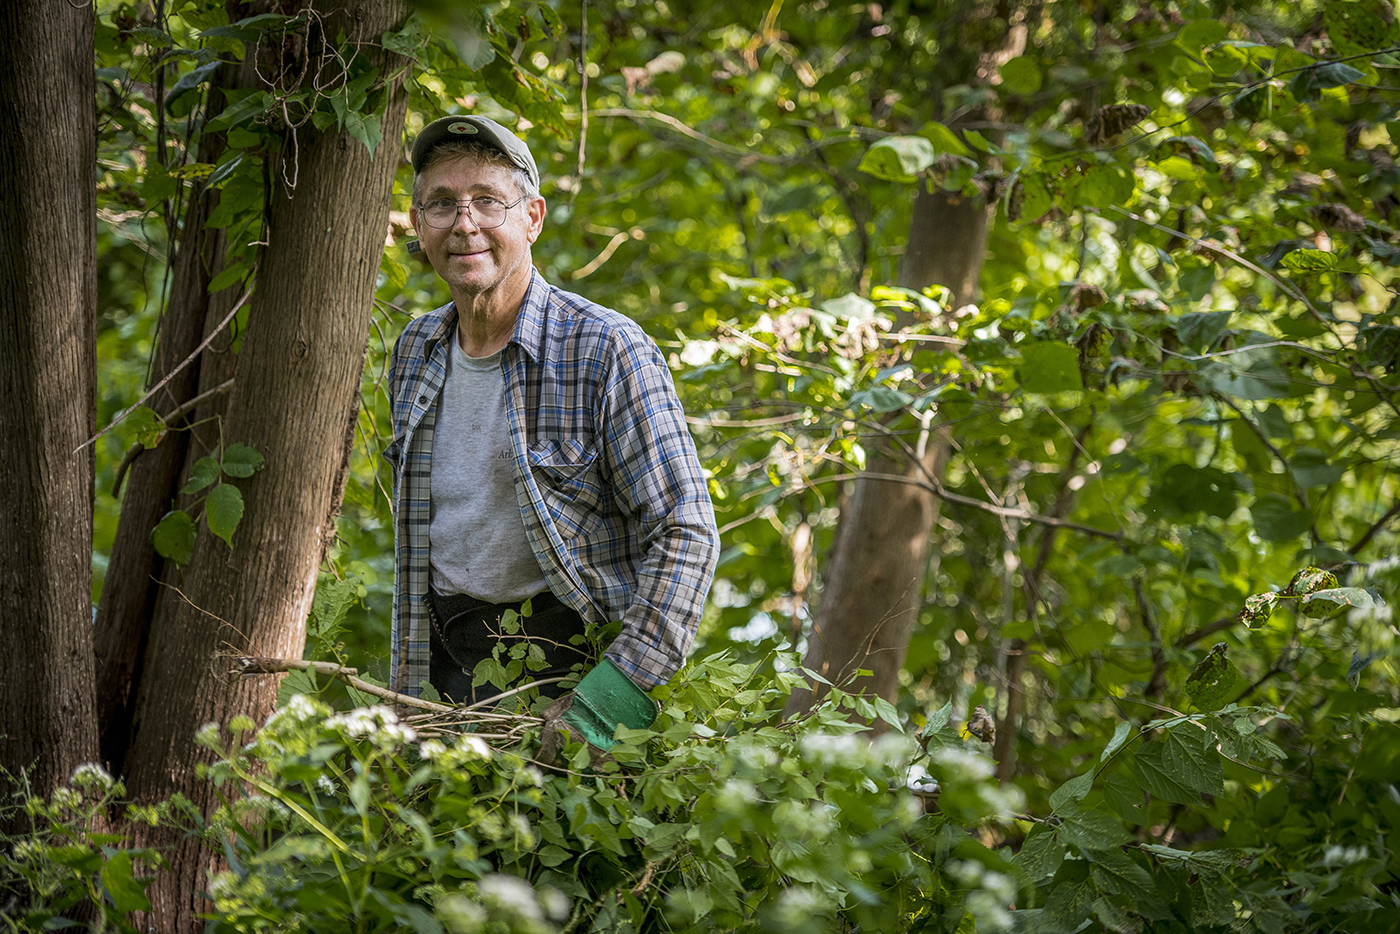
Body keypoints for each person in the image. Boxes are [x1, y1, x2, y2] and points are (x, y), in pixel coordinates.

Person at [383, 114, 718, 752]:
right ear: (419, 222)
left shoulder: (604, 347)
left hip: (579, 665)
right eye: (442, 204)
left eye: (488, 201)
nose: (465, 223)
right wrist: (408, 705)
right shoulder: (416, 350)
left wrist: (608, 701)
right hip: (451, 678)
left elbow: (687, 531)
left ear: (532, 218)